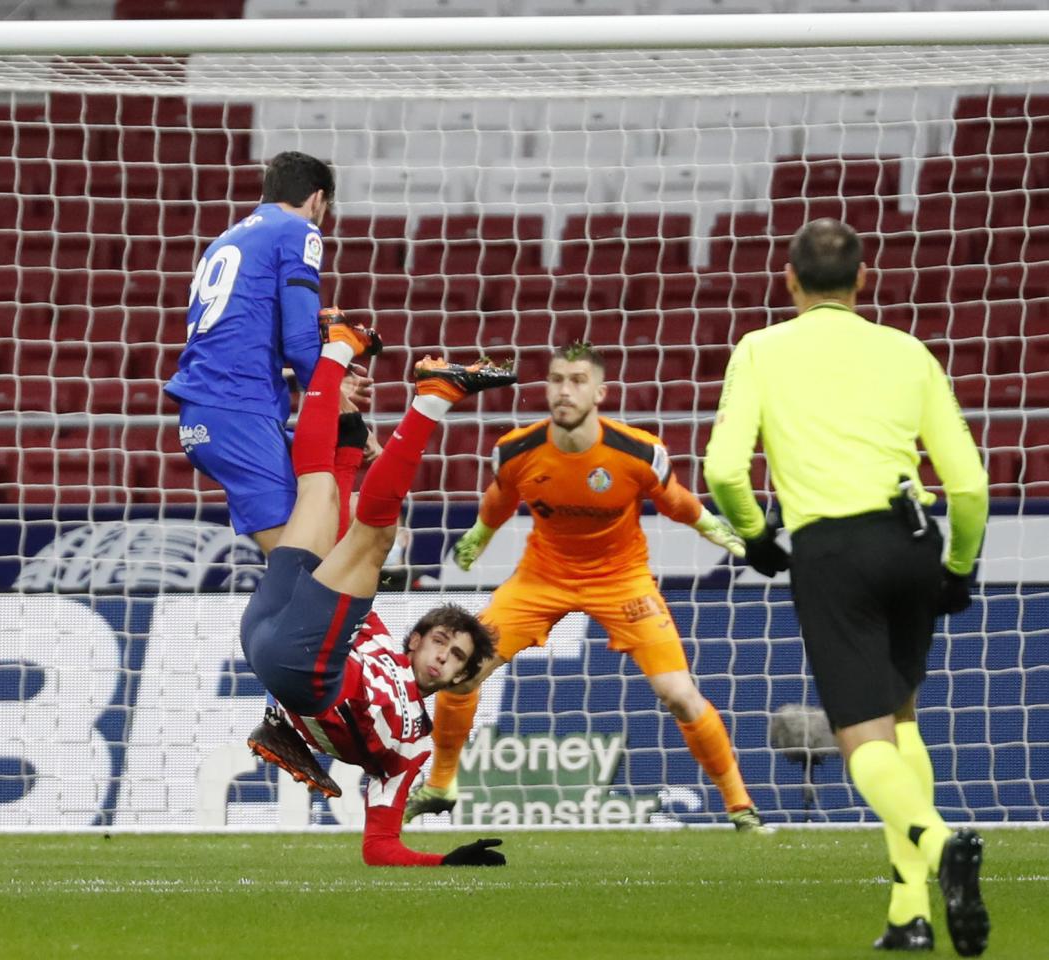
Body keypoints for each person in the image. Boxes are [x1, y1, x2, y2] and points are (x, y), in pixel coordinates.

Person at [704, 218, 989, 956]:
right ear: (862, 281)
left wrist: (758, 538)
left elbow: (724, 471)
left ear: (789, 280)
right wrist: (959, 569)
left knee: (861, 734)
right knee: (901, 720)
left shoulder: (762, 349)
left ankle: (938, 841)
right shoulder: (908, 351)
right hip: (913, 540)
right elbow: (969, 483)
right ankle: (909, 917)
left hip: (834, 549)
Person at [406, 342, 770, 834]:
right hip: (541, 579)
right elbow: (499, 498)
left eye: (577, 381)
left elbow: (674, 500)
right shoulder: (516, 450)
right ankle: (442, 784)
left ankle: (740, 807)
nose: (564, 390)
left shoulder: (637, 452)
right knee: (461, 673)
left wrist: (711, 526)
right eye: (556, 379)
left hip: (622, 581)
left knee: (679, 694)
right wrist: (478, 536)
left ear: (599, 392)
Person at [239, 313, 518, 866]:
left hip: (297, 669)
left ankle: (433, 396)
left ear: (464, 679)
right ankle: (341, 347)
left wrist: (445, 862)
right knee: (322, 485)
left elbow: (380, 848)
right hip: (268, 631)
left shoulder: (414, 745)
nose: (445, 655)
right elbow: (345, 535)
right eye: (442, 641)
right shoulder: (378, 638)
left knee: (373, 533)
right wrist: (350, 437)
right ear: (416, 639)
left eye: (458, 656)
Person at [165, 150, 367, 553]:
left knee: (325, 507)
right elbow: (301, 340)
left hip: (213, 409)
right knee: (301, 568)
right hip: (238, 413)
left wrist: (310, 385)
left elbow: (240, 343)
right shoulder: (298, 230)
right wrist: (334, 396)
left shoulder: (227, 239)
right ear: (317, 199)